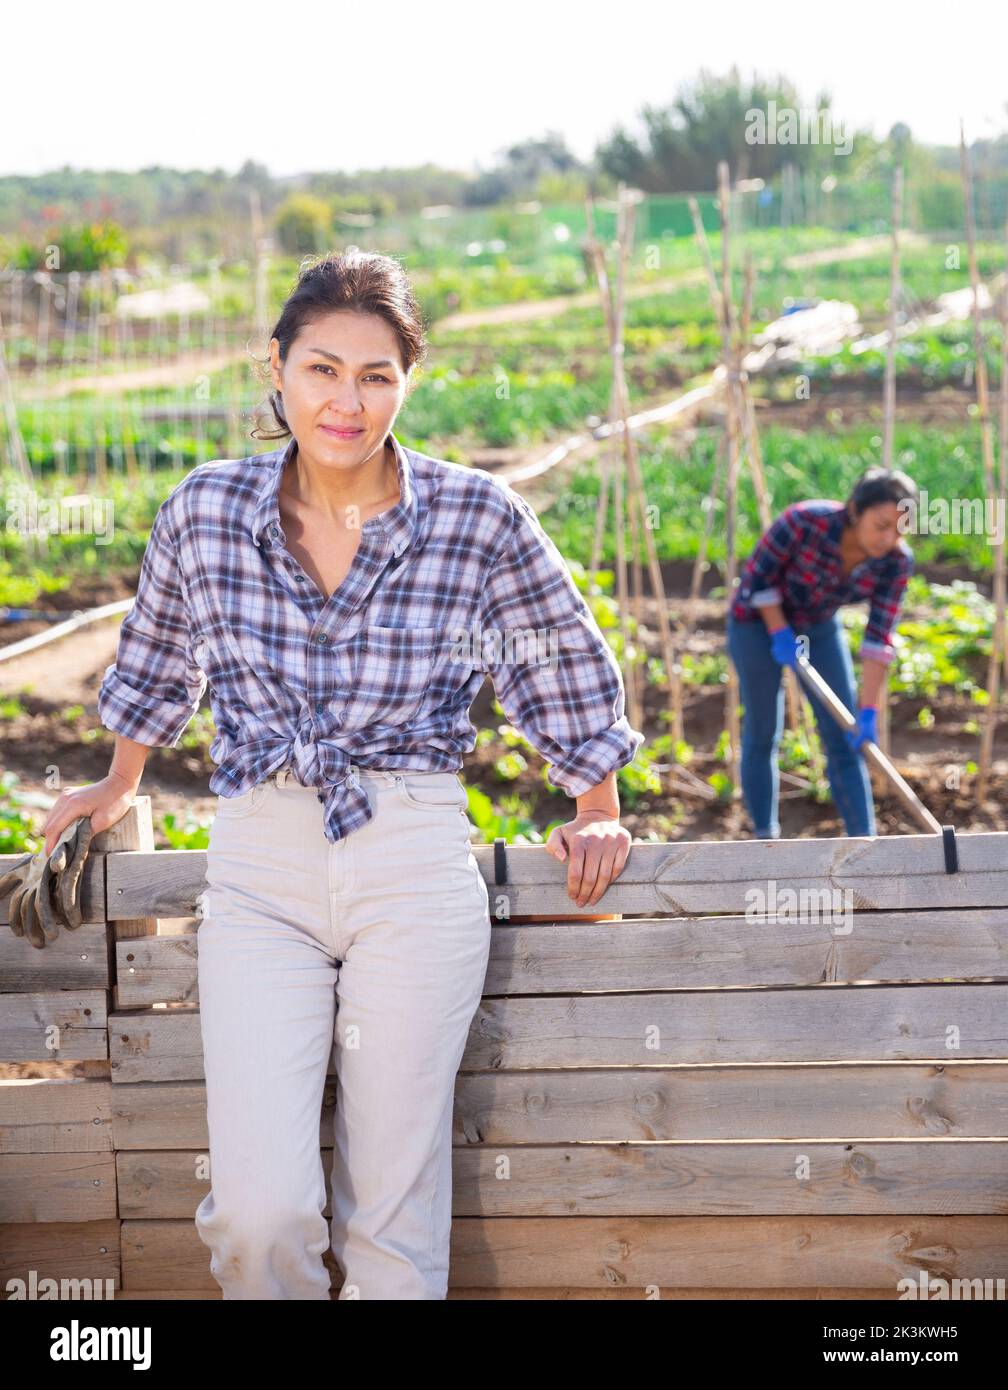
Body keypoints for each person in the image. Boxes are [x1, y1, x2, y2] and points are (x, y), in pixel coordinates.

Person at [39, 249, 644, 1301]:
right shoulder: (207, 508)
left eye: (376, 374)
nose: (346, 400)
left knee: (394, 1217)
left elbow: (558, 657)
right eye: (322, 369)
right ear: (275, 369)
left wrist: (597, 806)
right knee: (260, 1212)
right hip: (260, 862)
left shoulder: (477, 515)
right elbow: (159, 649)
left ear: (409, 380)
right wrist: (116, 779)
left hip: (410, 854)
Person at [725, 467, 918, 840]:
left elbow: (879, 638)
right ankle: (766, 838)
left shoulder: (896, 562)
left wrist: (868, 711)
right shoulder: (803, 523)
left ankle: (865, 843)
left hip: (816, 625)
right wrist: (780, 633)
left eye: (900, 529)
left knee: (844, 734)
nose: (889, 538)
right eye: (881, 525)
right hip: (755, 622)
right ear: (854, 511)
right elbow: (758, 580)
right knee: (764, 729)